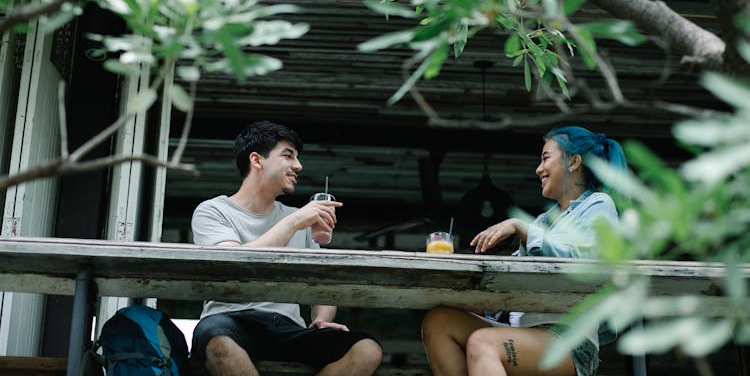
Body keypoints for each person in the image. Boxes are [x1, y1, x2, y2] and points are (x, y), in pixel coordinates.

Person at [422, 126, 627, 376]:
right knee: (439, 321)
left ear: (574, 162)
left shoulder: (599, 205)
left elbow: (579, 262)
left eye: (545, 158)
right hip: (522, 332)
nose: (538, 169)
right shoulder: (543, 222)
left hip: (569, 342)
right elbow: (512, 284)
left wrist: (519, 226)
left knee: (483, 342)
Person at [190, 120, 382, 376]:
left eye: (298, 158)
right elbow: (233, 261)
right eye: (288, 156)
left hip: (287, 326)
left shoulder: (300, 219)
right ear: (257, 160)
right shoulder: (213, 211)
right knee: (218, 342)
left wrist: (322, 318)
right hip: (230, 320)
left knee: (367, 349)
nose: (298, 166)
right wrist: (294, 222)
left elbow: (320, 284)